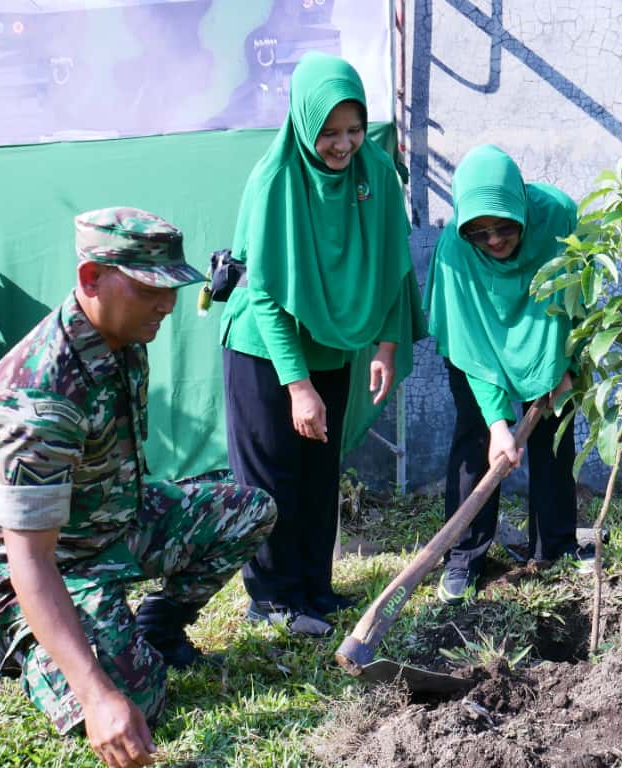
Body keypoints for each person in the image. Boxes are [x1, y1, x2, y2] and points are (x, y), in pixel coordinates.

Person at [0, 207, 277, 768]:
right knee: (136, 702)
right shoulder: (39, 400)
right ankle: (21, 644)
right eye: (149, 288)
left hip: (111, 520)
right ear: (91, 279)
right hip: (46, 566)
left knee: (249, 510)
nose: (167, 305)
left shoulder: (123, 335)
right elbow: (29, 560)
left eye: (172, 288)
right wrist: (97, 696)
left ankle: (155, 628)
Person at [220, 53, 426, 637]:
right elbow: (265, 293)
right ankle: (271, 598)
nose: (343, 145)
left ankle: (314, 587)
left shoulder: (375, 172)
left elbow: (391, 264)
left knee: (319, 473)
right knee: (272, 478)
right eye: (329, 132)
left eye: (354, 130)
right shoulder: (275, 181)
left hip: (333, 340)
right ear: (303, 123)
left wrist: (387, 345)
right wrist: (298, 385)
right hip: (267, 348)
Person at [423, 144, 591, 605]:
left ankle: (555, 546)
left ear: (522, 208)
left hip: (546, 334)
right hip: (476, 345)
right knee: (476, 439)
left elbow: (580, 295)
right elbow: (471, 346)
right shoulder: (455, 251)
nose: (494, 240)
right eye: (479, 232)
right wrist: (498, 424)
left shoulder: (558, 216)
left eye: (505, 226)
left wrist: (570, 364)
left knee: (554, 434)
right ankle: (463, 558)